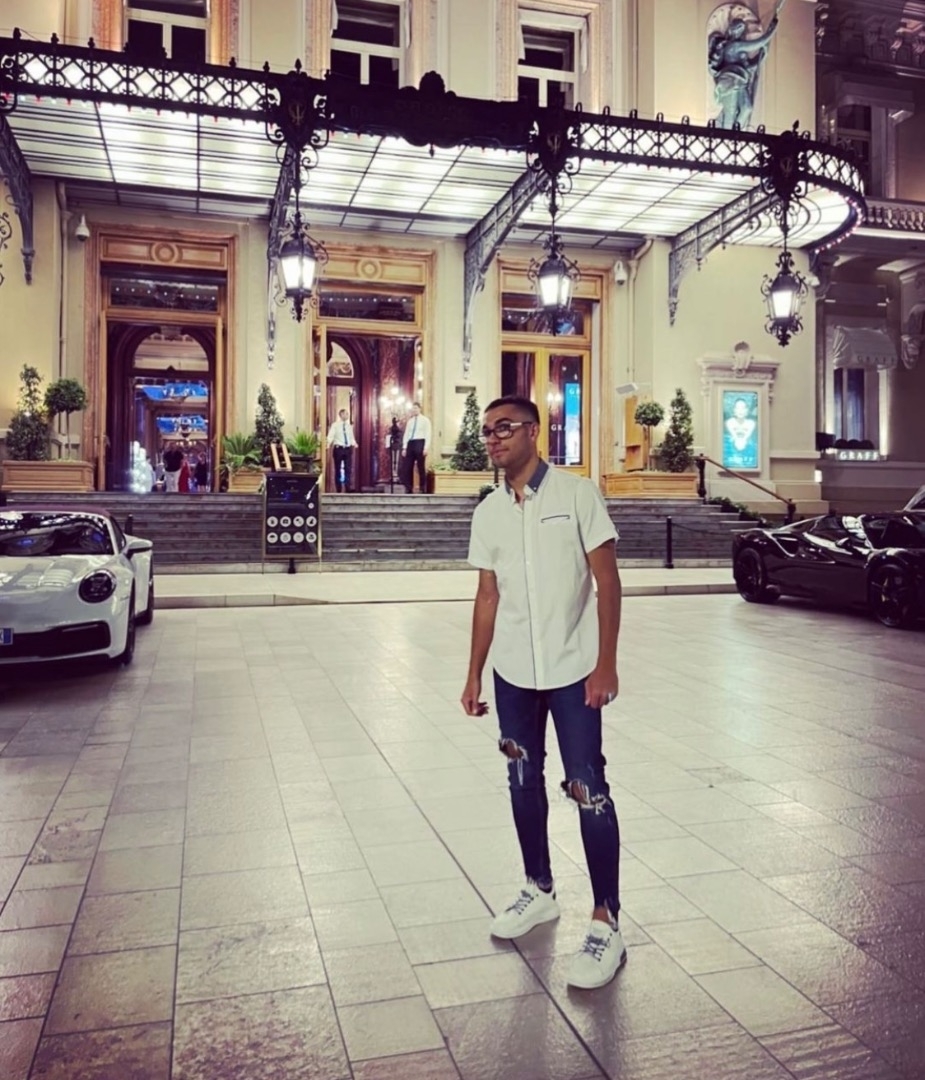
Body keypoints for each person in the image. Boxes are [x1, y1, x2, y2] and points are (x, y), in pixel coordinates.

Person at [461, 394, 625, 990]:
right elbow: (487, 596)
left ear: (534, 431)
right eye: (487, 431)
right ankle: (539, 888)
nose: (494, 438)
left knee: (588, 788)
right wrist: (474, 672)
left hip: (574, 671)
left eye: (504, 428)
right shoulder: (488, 512)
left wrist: (605, 664)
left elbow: (607, 582)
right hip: (512, 675)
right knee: (521, 780)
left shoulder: (577, 496)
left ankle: (606, 920)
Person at [708, 0, 786, 129]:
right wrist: (772, 30)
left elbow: (748, 66)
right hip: (730, 82)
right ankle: (727, 136)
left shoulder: (739, 47)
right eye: (740, 29)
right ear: (734, 31)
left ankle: (736, 133)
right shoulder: (734, 46)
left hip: (741, 81)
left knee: (747, 108)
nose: (742, 32)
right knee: (730, 114)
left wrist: (761, 58)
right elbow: (760, 42)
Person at [326, 408, 359, 493]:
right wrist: (328, 444)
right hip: (338, 449)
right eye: (345, 414)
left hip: (347, 449)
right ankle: (339, 488)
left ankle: (348, 487)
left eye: (347, 414)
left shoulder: (349, 426)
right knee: (338, 468)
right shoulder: (335, 425)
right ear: (341, 415)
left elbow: (351, 437)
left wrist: (354, 444)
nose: (347, 415)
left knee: (348, 468)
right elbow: (331, 436)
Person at [402, 402, 431, 494]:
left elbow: (428, 434)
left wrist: (426, 447)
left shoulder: (425, 420)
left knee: (420, 466)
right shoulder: (410, 421)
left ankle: (422, 487)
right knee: (408, 466)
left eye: (416, 408)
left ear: (419, 409)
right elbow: (406, 434)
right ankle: (408, 487)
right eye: (413, 408)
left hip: (420, 442)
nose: (414, 410)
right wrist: (404, 447)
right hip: (411, 443)